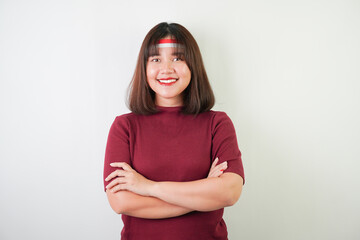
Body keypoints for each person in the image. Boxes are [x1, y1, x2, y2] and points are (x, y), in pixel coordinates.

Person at [103, 22, 245, 240]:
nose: (166, 68)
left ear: (193, 66)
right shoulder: (124, 127)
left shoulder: (218, 123)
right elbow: (121, 202)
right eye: (156, 59)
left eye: (177, 58)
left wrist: (147, 187)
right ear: (144, 67)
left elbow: (229, 192)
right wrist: (203, 195)